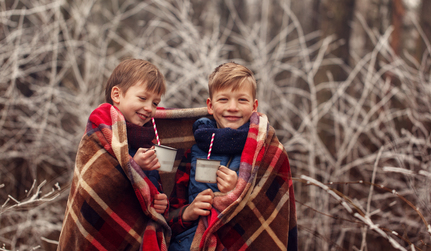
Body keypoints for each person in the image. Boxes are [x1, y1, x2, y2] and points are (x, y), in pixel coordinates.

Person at [167, 62, 298, 251]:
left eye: (242, 100)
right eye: (223, 100)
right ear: (210, 106)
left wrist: (238, 192)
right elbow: (169, 217)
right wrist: (188, 212)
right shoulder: (194, 152)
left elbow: (274, 217)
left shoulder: (266, 153)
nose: (233, 107)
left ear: (254, 106)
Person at [58, 58, 171, 251]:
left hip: (136, 236)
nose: (149, 108)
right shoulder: (101, 130)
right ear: (117, 95)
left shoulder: (148, 139)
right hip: (99, 231)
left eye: (155, 103)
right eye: (142, 98)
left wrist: (159, 202)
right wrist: (134, 166)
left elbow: (150, 189)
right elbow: (93, 188)